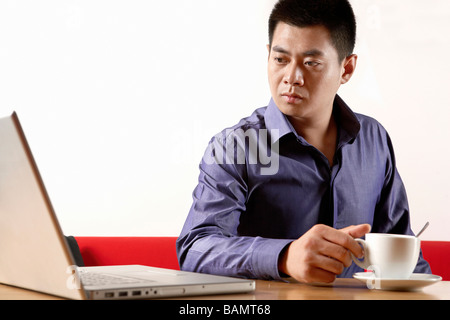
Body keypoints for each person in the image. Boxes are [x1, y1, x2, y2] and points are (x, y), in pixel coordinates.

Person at [176, 0, 431, 284]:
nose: (291, 78)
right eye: (280, 59)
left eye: (311, 63)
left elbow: (400, 248)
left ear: (346, 69)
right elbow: (195, 248)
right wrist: (285, 256)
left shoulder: (373, 139)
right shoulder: (238, 146)